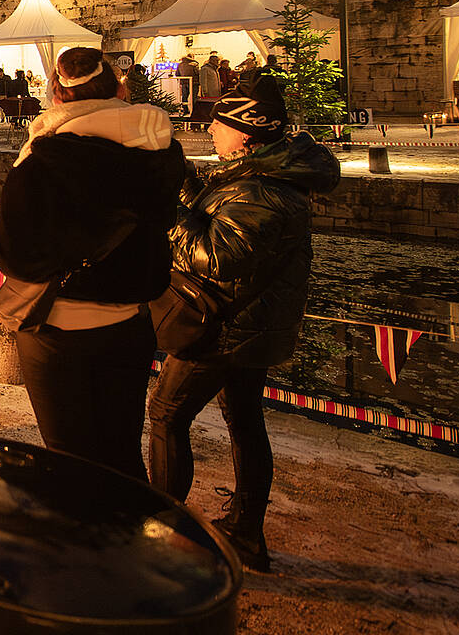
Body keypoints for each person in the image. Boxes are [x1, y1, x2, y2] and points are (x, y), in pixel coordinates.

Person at [149, 77, 340, 572]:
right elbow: (220, 211)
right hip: (251, 323)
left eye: (221, 122)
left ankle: (160, 527)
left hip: (226, 327)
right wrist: (181, 175)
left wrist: (165, 210)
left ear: (247, 132)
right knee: (245, 421)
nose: (211, 128)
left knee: (167, 412)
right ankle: (246, 531)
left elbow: (215, 254)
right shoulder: (256, 173)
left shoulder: (266, 190)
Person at [0, 47, 187, 480]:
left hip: (60, 327)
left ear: (58, 96)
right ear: (118, 88)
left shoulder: (45, 159)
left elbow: (20, 253)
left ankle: (86, 542)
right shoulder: (161, 151)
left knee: (70, 459)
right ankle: (130, 536)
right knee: (121, 455)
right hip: (130, 323)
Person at [196, 53, 223, 123]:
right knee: (207, 109)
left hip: (216, 94)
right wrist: (205, 92)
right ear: (211, 61)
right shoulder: (205, 69)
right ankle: (206, 124)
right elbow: (203, 81)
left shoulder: (215, 69)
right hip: (209, 94)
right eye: (216, 61)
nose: (218, 62)